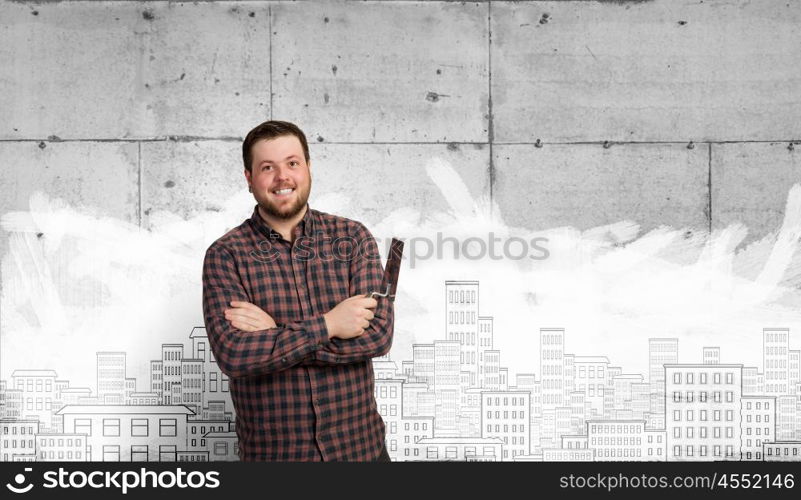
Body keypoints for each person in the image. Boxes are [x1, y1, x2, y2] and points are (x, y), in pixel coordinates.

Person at [201, 120, 393, 461]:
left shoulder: (353, 239)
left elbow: (377, 336)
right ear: (249, 179)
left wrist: (275, 335)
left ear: (307, 168)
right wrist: (330, 325)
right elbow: (233, 354)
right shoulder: (225, 254)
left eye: (292, 163)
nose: (282, 177)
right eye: (267, 168)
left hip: (362, 453)